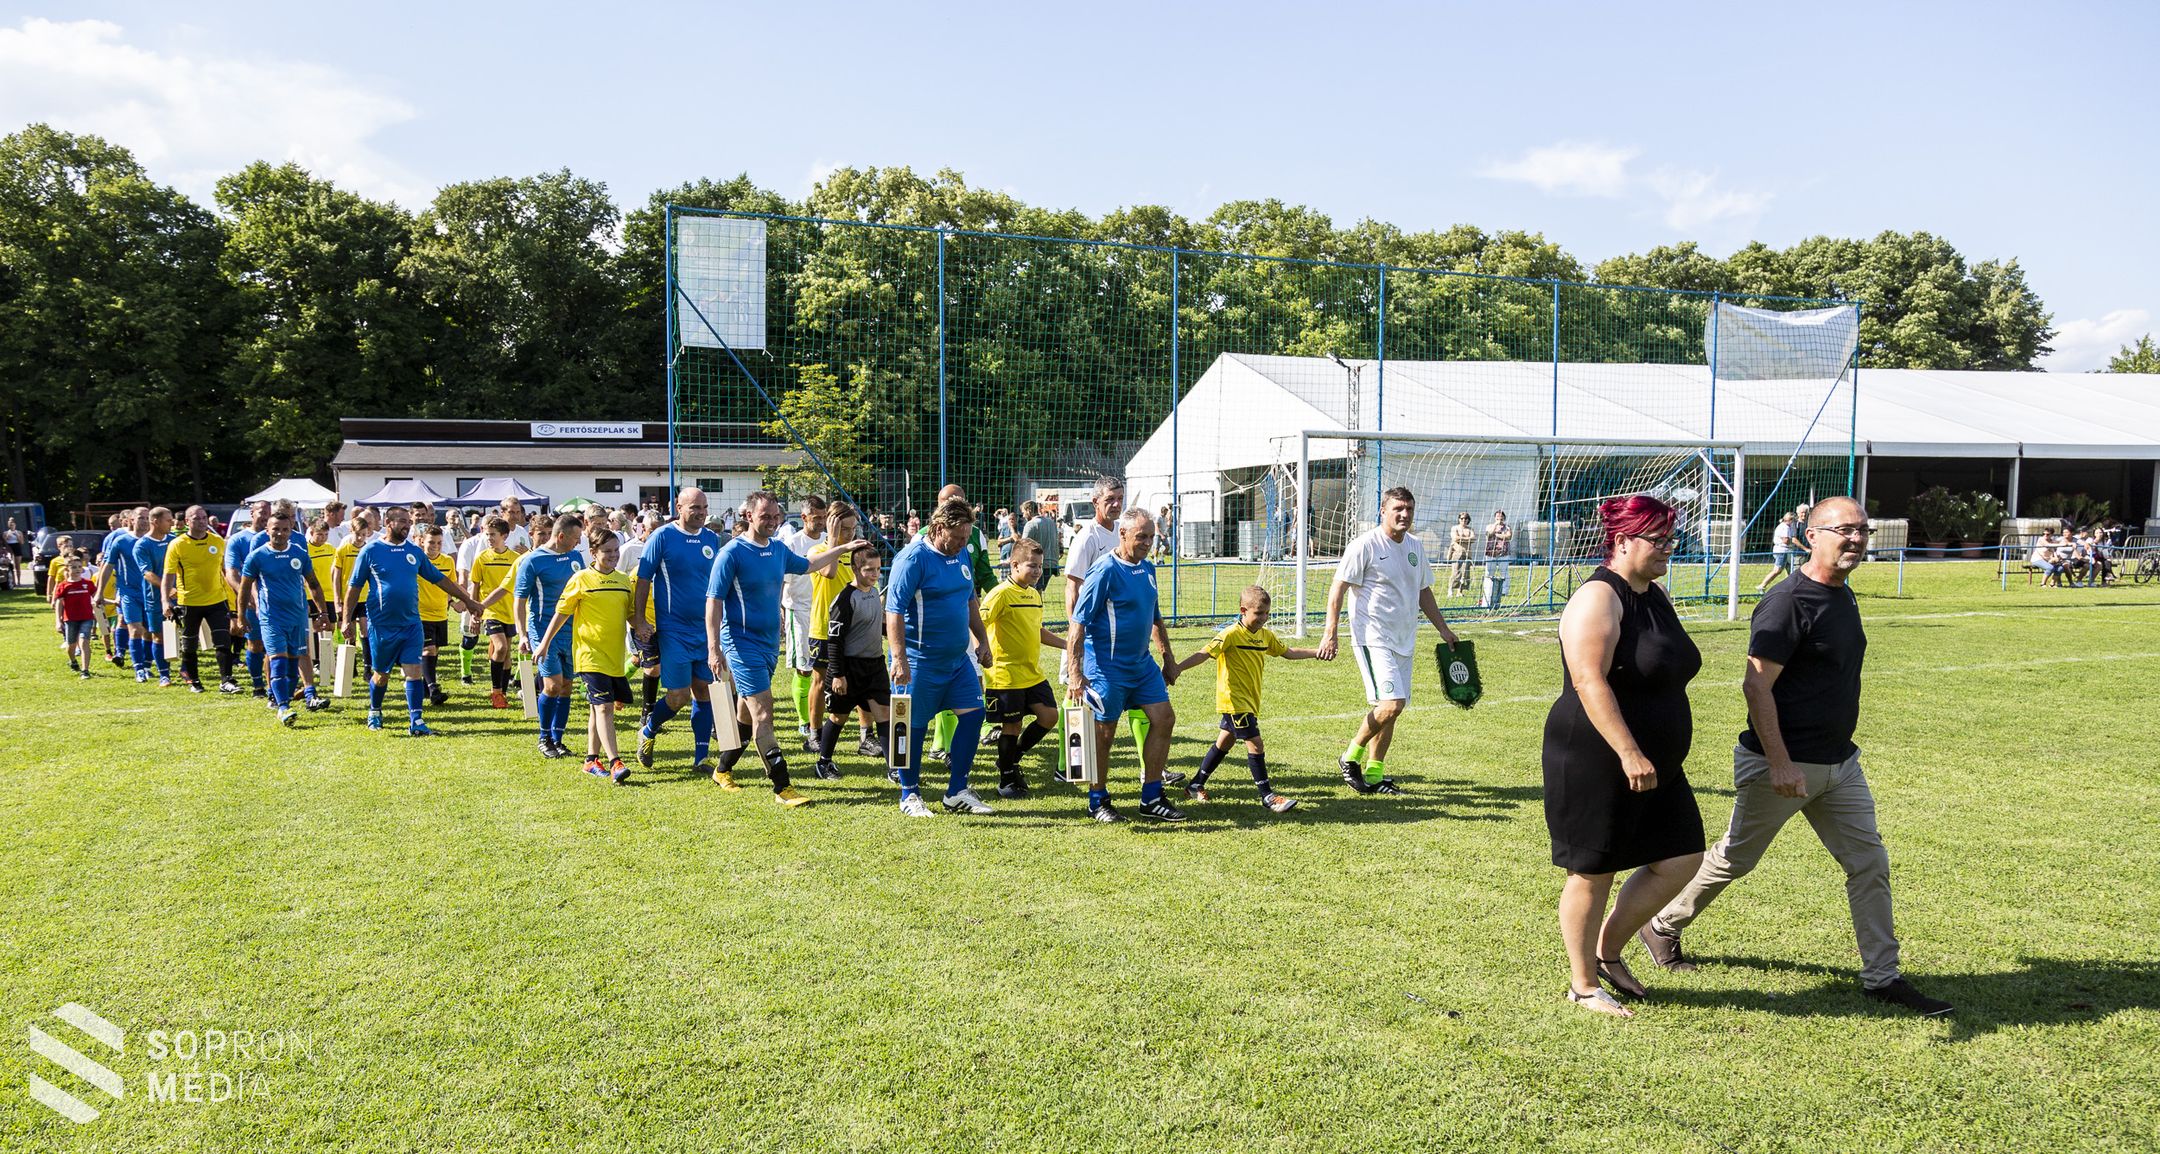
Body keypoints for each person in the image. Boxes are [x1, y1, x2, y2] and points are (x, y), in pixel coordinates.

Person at [1639, 497, 1953, 1016]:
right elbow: (1756, 687)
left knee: (1869, 863)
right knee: (1735, 858)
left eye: (1863, 530)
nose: (1856, 539)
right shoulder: (1787, 602)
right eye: (1843, 530)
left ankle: (1882, 978)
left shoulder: (1843, 594)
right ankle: (1661, 924)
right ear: (1811, 536)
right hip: (1783, 763)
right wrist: (1780, 762)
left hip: (1840, 764)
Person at [1543, 495, 1708, 1018]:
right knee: (1593, 870)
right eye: (1658, 540)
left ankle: (1608, 950)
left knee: (1682, 856)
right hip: (1597, 755)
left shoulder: (1654, 594)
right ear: (1622, 542)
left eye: (1671, 539)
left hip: (1658, 761)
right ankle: (1583, 985)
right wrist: (1629, 751)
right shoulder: (1598, 598)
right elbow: (1588, 681)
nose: (1668, 548)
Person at [705, 491, 867, 806]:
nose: (772, 521)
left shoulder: (778, 549)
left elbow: (809, 564)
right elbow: (713, 601)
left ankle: (722, 769)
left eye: (775, 516)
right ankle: (783, 787)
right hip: (741, 644)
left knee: (746, 715)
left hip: (768, 646)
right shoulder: (731, 553)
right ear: (748, 516)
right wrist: (714, 648)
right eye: (765, 516)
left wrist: (842, 547)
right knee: (764, 713)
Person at [1318, 487, 1459, 794]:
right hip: (1373, 637)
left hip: (1404, 639)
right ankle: (1349, 757)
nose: (1404, 514)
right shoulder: (1365, 545)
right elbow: (1338, 588)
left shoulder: (1415, 546)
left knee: (1393, 708)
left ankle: (1374, 774)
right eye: (1398, 509)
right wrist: (1331, 632)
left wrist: (1443, 629)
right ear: (1383, 511)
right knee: (1392, 704)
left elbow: (1423, 591)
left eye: (1409, 509)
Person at [884, 497, 996, 816]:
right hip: (920, 662)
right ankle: (909, 794)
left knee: (974, 715)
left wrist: (982, 640)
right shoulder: (912, 559)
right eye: (957, 537)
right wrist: (899, 658)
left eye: (966, 537)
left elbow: (970, 599)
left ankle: (956, 792)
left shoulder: (961, 554)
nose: (962, 543)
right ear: (938, 528)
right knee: (911, 727)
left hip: (957, 661)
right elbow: (893, 610)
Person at [1167, 585, 1314, 812]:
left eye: (1267, 613)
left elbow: (1289, 652)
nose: (1263, 618)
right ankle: (1267, 796)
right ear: (1243, 610)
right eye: (1259, 613)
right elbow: (1204, 653)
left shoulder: (1265, 636)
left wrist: (1317, 652)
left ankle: (1195, 784)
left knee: (1225, 741)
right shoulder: (1230, 634)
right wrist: (1178, 668)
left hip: (1250, 700)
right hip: (1234, 701)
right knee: (1255, 743)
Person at [338, 505, 484, 736]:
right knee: (381, 674)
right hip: (382, 625)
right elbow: (354, 588)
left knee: (414, 671)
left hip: (412, 624)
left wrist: (468, 601)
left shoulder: (413, 552)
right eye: (402, 521)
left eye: (409, 521)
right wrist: (346, 619)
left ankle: (416, 721)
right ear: (388, 523)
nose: (408, 525)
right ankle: (375, 710)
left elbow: (440, 579)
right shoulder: (371, 550)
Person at [1062, 475, 1157, 759]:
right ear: (1095, 502)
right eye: (1110, 499)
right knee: (1077, 695)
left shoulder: (1123, 529)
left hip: (1124, 640)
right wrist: (1076, 635)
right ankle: (1068, 762)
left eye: (1120, 499)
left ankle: (1149, 765)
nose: (1116, 504)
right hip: (1093, 638)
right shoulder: (1086, 537)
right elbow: (1073, 586)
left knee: (1140, 699)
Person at [632, 487, 725, 775]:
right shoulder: (662, 537)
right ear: (679, 507)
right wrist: (639, 620)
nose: (701, 513)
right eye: (694, 507)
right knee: (678, 696)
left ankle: (701, 757)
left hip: (705, 630)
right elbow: (643, 579)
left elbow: (718, 584)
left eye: (704, 507)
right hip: (673, 629)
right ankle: (649, 729)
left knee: (704, 691)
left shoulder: (711, 539)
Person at [536, 524, 638, 783]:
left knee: (597, 709)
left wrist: (645, 629)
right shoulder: (581, 579)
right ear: (593, 553)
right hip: (589, 655)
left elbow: (631, 616)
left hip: (615, 657)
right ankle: (615, 762)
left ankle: (591, 760)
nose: (613, 555)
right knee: (604, 707)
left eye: (616, 550)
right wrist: (544, 643)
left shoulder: (624, 581)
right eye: (607, 551)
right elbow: (561, 614)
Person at [980, 538, 1068, 798]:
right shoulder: (1000, 594)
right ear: (1015, 565)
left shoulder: (1034, 594)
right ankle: (1006, 780)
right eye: (1032, 565)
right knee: (1012, 726)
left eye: (1040, 566)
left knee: (1049, 716)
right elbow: (977, 623)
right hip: (1005, 674)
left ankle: (1010, 758)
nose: (1038, 571)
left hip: (1031, 673)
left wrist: (1067, 645)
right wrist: (980, 649)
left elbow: (1036, 630)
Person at [238, 500, 332, 724]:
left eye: (284, 529)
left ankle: (290, 696)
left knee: (293, 665)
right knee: (278, 662)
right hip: (271, 618)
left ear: (291, 531)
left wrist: (323, 613)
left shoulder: (299, 553)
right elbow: (244, 588)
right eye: (275, 529)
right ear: (267, 530)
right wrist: (241, 616)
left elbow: (314, 584)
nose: (280, 533)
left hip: (298, 617)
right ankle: (283, 708)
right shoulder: (257, 556)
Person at [813, 550, 894, 780]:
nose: (875, 574)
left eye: (878, 569)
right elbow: (834, 641)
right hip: (849, 669)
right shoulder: (845, 599)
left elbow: (874, 626)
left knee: (884, 715)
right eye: (869, 570)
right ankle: (823, 763)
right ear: (855, 569)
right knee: (838, 717)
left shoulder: (875, 593)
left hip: (875, 667)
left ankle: (895, 769)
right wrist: (838, 674)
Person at [806, 500, 878, 759]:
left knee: (863, 681)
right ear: (831, 526)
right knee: (820, 681)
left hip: (856, 630)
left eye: (852, 528)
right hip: (824, 628)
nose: (850, 533)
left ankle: (866, 737)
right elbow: (828, 572)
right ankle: (814, 734)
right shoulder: (818, 550)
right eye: (844, 528)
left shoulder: (857, 553)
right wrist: (835, 541)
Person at [514, 512, 587, 758]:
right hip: (543, 630)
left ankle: (558, 739)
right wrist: (523, 635)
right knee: (552, 685)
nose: (579, 542)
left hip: (571, 630)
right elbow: (519, 599)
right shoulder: (533, 561)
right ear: (562, 536)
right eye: (576, 537)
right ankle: (544, 738)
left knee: (566, 686)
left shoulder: (576, 557)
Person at [161, 505, 241, 694]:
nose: (202, 522)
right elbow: (168, 575)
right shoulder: (178, 544)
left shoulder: (217, 541)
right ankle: (194, 681)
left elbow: (225, 571)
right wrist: (165, 601)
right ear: (187, 521)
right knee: (189, 645)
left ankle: (226, 681)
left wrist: (235, 596)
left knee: (223, 641)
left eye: (204, 517)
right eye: (197, 518)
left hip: (217, 600)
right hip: (189, 602)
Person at [777, 493, 829, 747]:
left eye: (824, 517)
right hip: (799, 612)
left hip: (825, 612)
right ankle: (804, 720)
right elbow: (781, 582)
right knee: (804, 668)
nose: (820, 522)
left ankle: (820, 714)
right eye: (816, 517)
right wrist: (779, 612)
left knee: (825, 668)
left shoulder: (830, 541)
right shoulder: (792, 544)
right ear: (804, 516)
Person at [465, 517, 523, 707]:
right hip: (489, 610)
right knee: (501, 647)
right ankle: (496, 692)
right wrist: (474, 614)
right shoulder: (482, 558)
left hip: (510, 611)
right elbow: (475, 587)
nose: (489, 538)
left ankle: (502, 694)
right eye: (487, 534)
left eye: (493, 535)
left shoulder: (515, 558)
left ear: (504, 536)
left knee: (506, 655)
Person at [224, 499, 272, 696]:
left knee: (275, 645)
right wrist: (245, 595)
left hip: (274, 601)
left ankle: (275, 684)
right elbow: (231, 572)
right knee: (256, 644)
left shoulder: (279, 537)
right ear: (251, 514)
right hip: (252, 602)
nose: (265, 515)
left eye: (268, 512)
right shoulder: (238, 540)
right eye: (261, 512)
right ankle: (258, 685)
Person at [131, 507, 177, 687]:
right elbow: (147, 574)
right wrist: (168, 589)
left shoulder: (174, 540)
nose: (172, 523)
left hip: (181, 595)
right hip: (155, 598)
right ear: (155, 522)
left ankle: (186, 670)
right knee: (159, 636)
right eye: (168, 520)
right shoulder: (142, 545)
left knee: (183, 636)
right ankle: (164, 675)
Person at [415, 524, 459, 705]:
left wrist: (453, 602)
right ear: (422, 542)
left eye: (439, 543)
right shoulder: (417, 561)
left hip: (441, 614)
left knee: (435, 651)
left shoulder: (448, 561)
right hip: (421, 615)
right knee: (429, 649)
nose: (435, 546)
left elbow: (450, 585)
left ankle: (425, 686)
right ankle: (434, 689)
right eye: (431, 542)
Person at [50, 553, 98, 678]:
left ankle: (85, 670)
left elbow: (97, 598)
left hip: (86, 617)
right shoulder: (63, 585)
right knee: (71, 645)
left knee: (84, 641)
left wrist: (109, 604)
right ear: (67, 569)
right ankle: (73, 660)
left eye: (79, 567)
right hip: (70, 619)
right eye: (74, 567)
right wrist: (58, 621)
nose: (77, 569)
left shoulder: (88, 583)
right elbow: (59, 603)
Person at [1021, 501, 1060, 592]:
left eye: (1023, 512)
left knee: (1031, 592)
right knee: (1038, 591)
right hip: (1052, 564)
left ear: (1029, 510)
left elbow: (1022, 546)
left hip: (1038, 564)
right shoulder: (1051, 523)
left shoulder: (1030, 524)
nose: (1023, 516)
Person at [1481, 509, 1515, 610]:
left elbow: (1508, 537)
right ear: (1495, 517)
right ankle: (1488, 589)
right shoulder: (1489, 526)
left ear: (1504, 517)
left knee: (1504, 571)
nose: (1499, 518)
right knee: (1489, 572)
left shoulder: (1507, 527)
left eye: (1501, 516)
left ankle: (1504, 590)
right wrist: (1496, 527)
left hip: (1503, 552)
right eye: (1497, 516)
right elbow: (1489, 534)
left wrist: (1497, 535)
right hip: (1491, 552)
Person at [1759, 512, 1798, 592]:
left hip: (1785, 551)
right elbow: (1786, 541)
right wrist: (1795, 541)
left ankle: (1791, 588)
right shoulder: (1785, 527)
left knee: (1790, 570)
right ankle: (1762, 585)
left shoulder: (1786, 526)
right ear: (1791, 520)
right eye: (1794, 520)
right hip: (1782, 551)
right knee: (1777, 570)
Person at [1446, 512, 1476, 596]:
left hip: (1467, 553)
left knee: (1465, 574)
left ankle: (1460, 591)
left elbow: (1473, 538)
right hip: (1457, 552)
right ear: (1459, 519)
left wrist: (1461, 539)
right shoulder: (1455, 528)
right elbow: (1455, 538)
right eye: (1462, 518)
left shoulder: (1470, 529)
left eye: (1466, 518)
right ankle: (1450, 590)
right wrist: (1467, 539)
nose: (1464, 520)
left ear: (1468, 520)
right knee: (1455, 572)